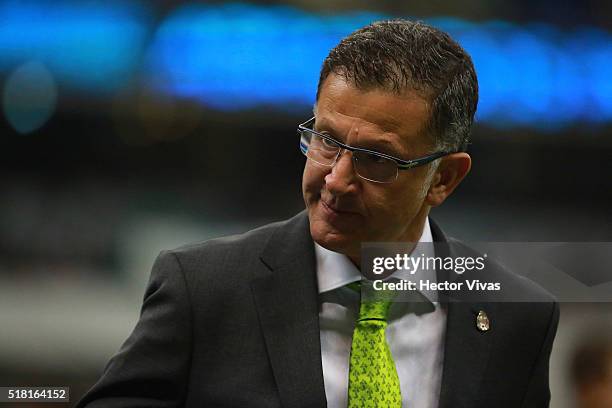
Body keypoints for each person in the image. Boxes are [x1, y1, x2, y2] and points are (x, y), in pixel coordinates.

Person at [77, 19, 559, 407]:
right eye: (327, 141)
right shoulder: (202, 291)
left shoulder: (516, 318)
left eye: (376, 159)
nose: (335, 179)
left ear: (445, 178)